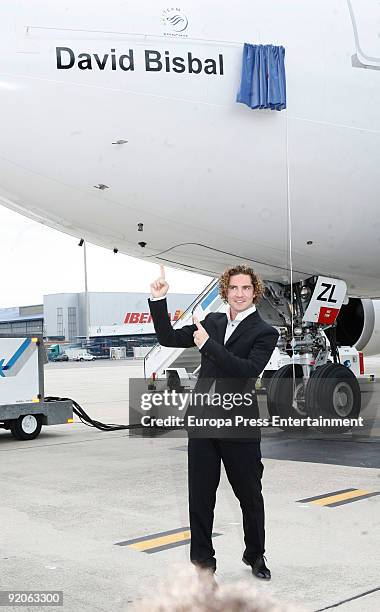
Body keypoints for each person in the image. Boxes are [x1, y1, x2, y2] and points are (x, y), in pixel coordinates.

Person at [148, 264, 279, 579]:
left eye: (245, 288)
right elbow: (167, 338)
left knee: (249, 495)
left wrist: (207, 344)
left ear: (254, 292)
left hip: (239, 426)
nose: (239, 294)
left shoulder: (265, 332)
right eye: (233, 288)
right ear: (226, 291)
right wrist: (158, 302)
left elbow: (244, 370)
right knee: (201, 497)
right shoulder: (213, 321)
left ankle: (255, 555)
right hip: (204, 422)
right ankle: (203, 562)